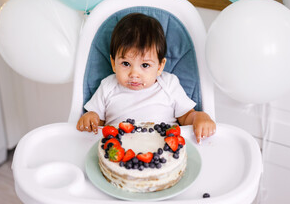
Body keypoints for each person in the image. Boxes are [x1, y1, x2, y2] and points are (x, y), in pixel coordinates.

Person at [77, 13, 216, 143]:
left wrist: (199, 117)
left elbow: (186, 117)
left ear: (160, 67)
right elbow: (97, 122)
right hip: (118, 152)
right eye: (126, 64)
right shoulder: (108, 86)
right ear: (113, 63)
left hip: (162, 152)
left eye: (145, 65)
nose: (134, 74)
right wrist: (90, 118)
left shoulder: (169, 84)